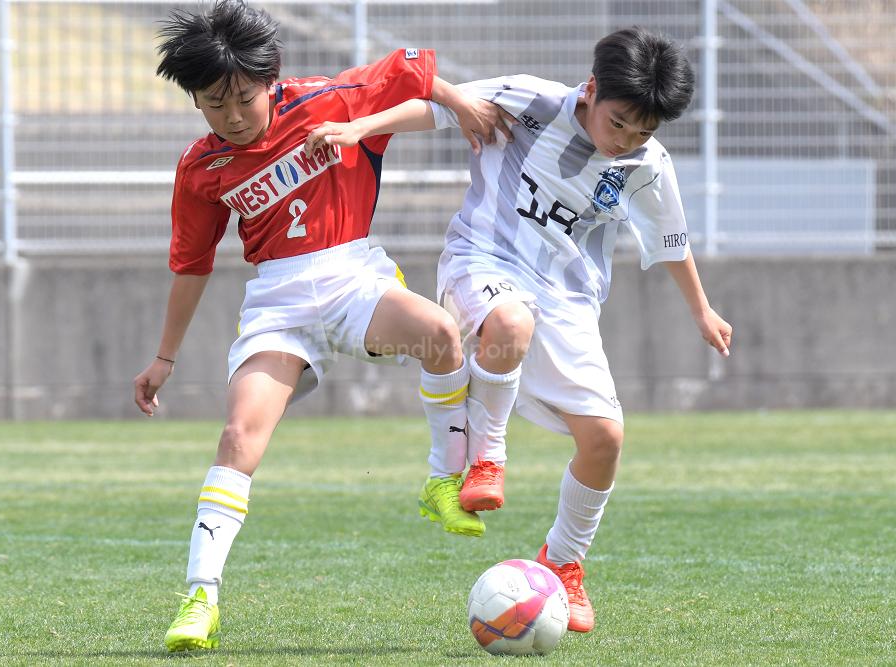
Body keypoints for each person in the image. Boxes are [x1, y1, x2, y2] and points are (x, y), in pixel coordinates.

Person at [305, 27, 733, 634]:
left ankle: (564, 562)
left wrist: (701, 310)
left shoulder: (647, 163)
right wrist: (360, 128)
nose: (625, 140)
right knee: (510, 321)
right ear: (590, 90)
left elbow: (670, 239)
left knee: (605, 439)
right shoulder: (532, 101)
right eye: (618, 123)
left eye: (642, 132)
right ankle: (487, 458)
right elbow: (434, 107)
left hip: (570, 298)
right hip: (483, 259)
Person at [133, 0, 509, 652]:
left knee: (442, 336)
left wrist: (442, 105)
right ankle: (200, 598)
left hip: (352, 277)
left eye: (243, 99)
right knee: (239, 436)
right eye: (214, 104)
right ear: (194, 101)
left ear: (269, 81)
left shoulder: (322, 102)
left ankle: (443, 479)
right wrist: (164, 358)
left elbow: (412, 73)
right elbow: (191, 265)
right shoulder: (200, 169)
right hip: (277, 305)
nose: (232, 116)